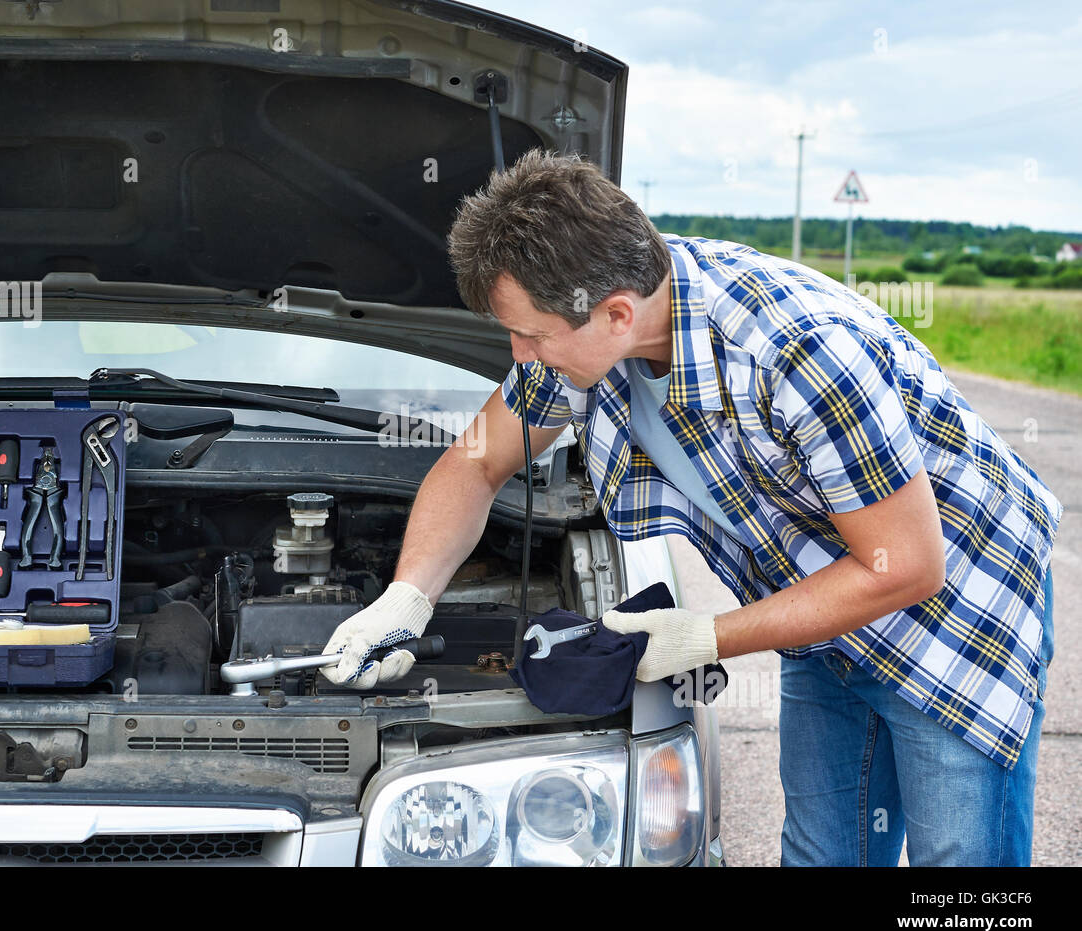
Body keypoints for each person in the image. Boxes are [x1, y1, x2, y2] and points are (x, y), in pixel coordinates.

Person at [319, 148, 1061, 867]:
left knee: (960, 864)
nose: (519, 355)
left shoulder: (798, 354)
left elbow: (904, 567)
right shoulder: (591, 325)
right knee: (823, 854)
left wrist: (701, 636)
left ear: (614, 314)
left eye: (530, 335)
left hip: (956, 611)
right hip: (824, 601)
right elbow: (480, 459)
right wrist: (408, 595)